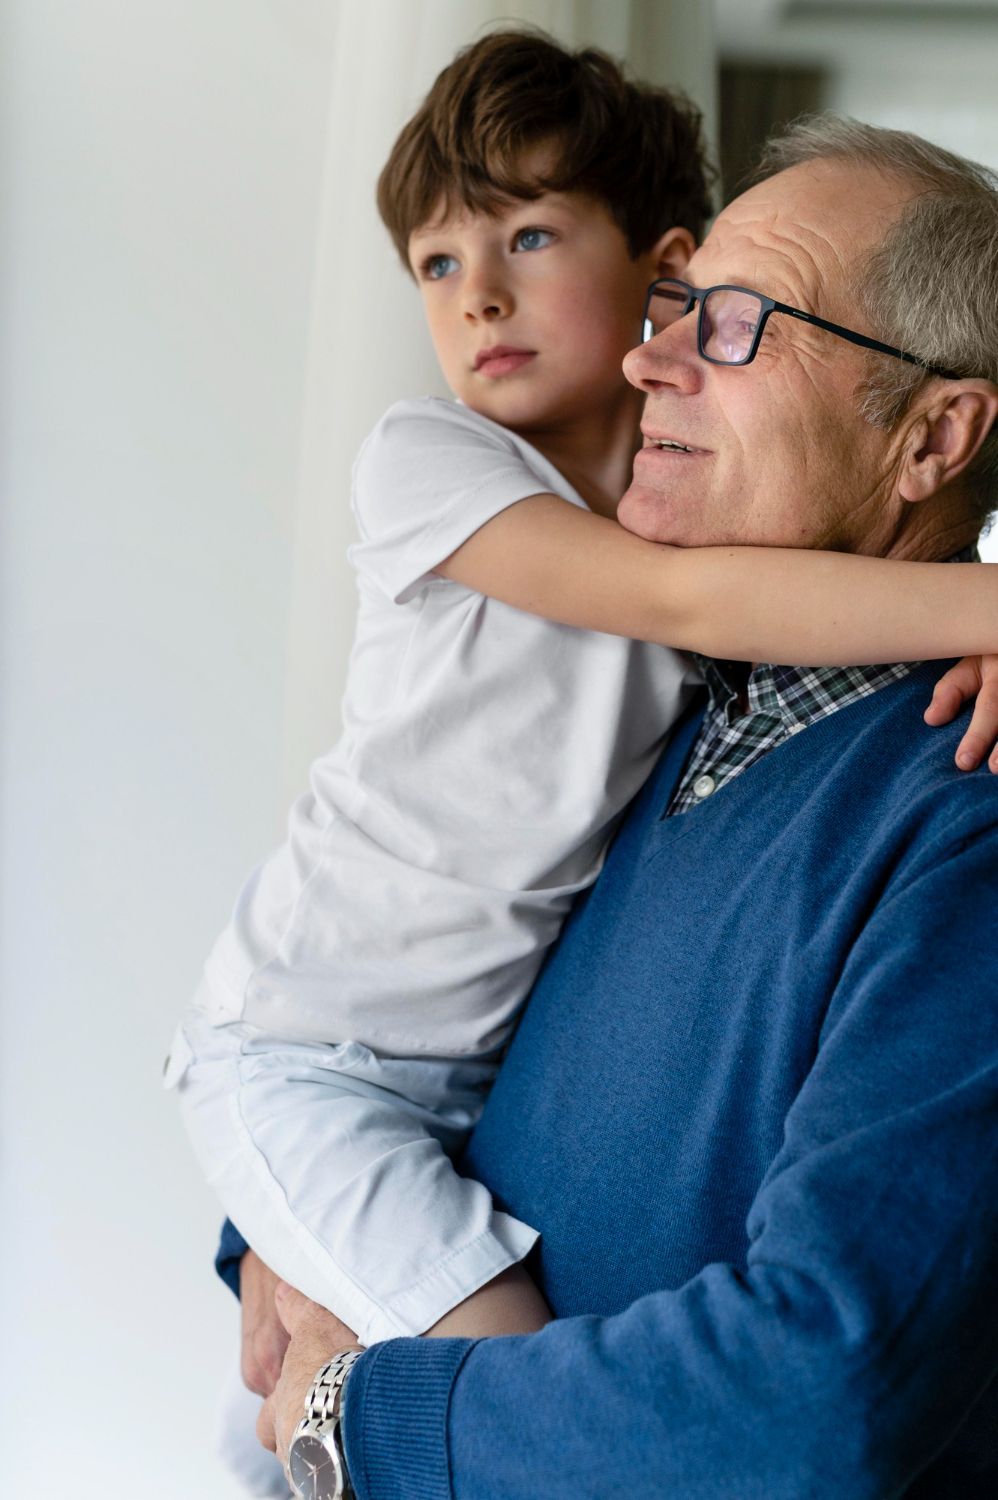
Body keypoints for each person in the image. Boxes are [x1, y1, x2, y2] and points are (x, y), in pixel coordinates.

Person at [244, 113, 998, 1499]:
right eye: (672, 307)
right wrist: (280, 1231)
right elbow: (412, 987)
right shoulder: (654, 715)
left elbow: (808, 1394)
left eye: (734, 324)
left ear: (931, 436)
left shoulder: (964, 814)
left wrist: (363, 1418)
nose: (647, 360)